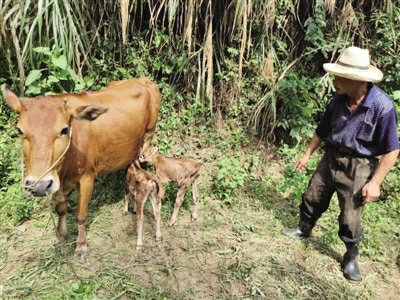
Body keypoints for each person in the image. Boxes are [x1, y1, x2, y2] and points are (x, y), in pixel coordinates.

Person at [282, 46, 400, 283]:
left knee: (350, 215)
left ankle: (351, 256)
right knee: (313, 194)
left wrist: (375, 183)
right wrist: (306, 154)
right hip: (332, 155)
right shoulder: (338, 100)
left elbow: (392, 149)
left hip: (360, 164)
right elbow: (322, 130)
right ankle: (304, 227)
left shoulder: (382, 107)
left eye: (338, 76)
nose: (334, 80)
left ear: (356, 80)